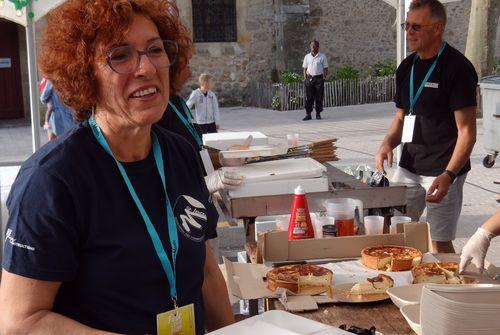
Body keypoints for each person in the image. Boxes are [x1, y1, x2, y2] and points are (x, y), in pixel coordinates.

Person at [0, 1, 234, 334]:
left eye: (155, 50)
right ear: (85, 73)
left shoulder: (181, 154)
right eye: (120, 55)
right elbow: (19, 322)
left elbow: (206, 271)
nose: (146, 67)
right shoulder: (52, 181)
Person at [375, 0, 477, 253]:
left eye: (416, 27)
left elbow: (467, 132)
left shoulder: (458, 68)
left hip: (444, 169)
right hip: (409, 166)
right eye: (406, 25)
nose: (409, 32)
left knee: (439, 241)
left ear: (437, 28)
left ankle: (445, 291)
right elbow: (401, 118)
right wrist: (387, 143)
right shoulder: (406, 67)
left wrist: (449, 175)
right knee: (397, 233)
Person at [157, 94, 244, 194]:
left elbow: (194, 147)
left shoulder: (177, 100)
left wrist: (221, 158)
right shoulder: (153, 109)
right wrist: (201, 185)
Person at [302, 40, 328, 121]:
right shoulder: (307, 57)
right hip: (309, 78)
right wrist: (305, 79)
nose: (312, 47)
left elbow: (325, 68)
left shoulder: (322, 56)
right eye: (311, 46)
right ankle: (308, 114)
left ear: (317, 47)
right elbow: (305, 68)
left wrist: (324, 78)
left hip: (319, 79)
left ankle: (318, 114)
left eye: (314, 45)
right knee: (309, 97)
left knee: (319, 97)